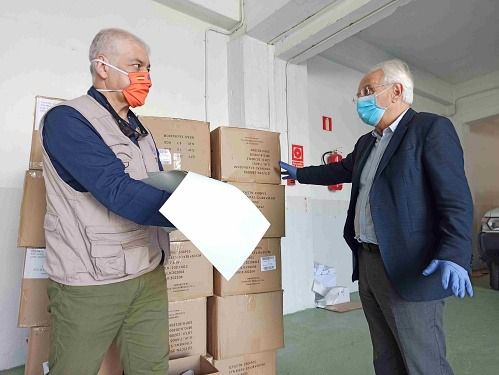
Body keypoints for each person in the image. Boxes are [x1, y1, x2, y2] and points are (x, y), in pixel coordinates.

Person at [280, 59, 473, 375]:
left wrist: (454, 253)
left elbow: (455, 199)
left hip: (410, 266)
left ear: (397, 91)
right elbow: (340, 169)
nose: (360, 100)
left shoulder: (429, 129)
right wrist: (300, 173)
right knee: (385, 357)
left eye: (368, 91)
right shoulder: (367, 143)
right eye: (358, 94)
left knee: (422, 362)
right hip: (368, 262)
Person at [40, 28, 171, 374]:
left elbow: (154, 183)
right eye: (137, 65)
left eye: (149, 68)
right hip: (92, 280)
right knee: (75, 368)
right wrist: (195, 212)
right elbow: (115, 189)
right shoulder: (67, 120)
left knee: (152, 367)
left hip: (149, 269)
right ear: (102, 66)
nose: (146, 77)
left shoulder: (138, 129)